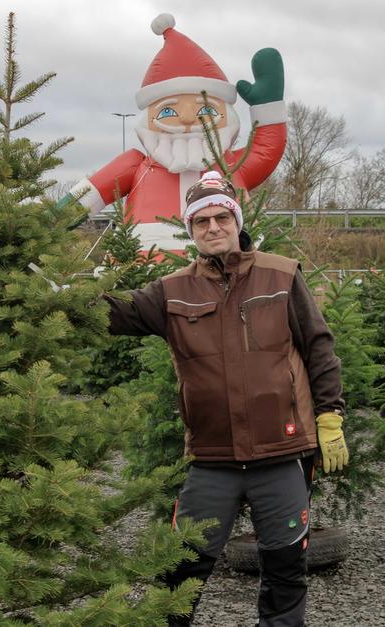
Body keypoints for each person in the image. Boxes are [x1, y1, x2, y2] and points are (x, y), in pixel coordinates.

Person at [105, 171, 349, 626]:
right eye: (202, 221)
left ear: (236, 221)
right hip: (212, 458)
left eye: (222, 217)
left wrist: (330, 416)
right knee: (181, 567)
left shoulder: (281, 275)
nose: (213, 227)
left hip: (280, 453)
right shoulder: (171, 290)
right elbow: (115, 315)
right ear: (192, 230)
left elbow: (319, 346)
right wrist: (61, 298)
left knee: (285, 568)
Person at [64, 13, 287, 253]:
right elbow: (89, 195)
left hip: (233, 268)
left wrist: (268, 106)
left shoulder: (233, 165)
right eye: (168, 110)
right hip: (145, 266)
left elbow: (267, 149)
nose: (189, 119)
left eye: (205, 108)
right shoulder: (135, 166)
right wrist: (41, 226)